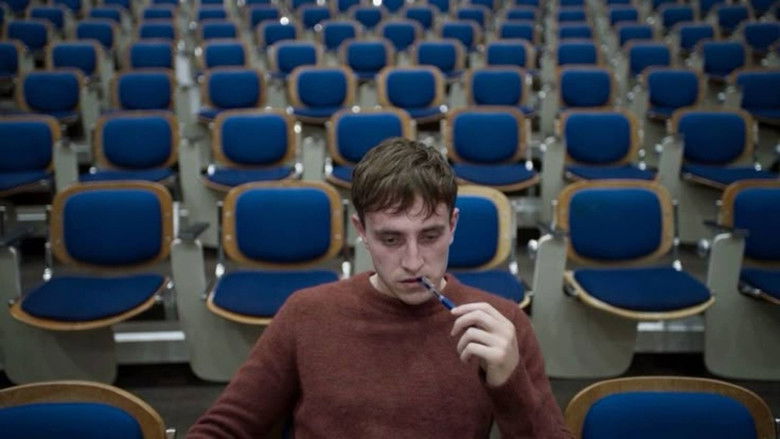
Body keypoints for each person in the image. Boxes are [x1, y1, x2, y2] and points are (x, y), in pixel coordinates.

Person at [187, 138, 572, 438]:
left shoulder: (502, 323)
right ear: (361, 232)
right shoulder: (306, 314)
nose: (413, 262)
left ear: (453, 226)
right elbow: (224, 428)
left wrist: (510, 384)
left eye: (430, 236)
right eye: (391, 239)